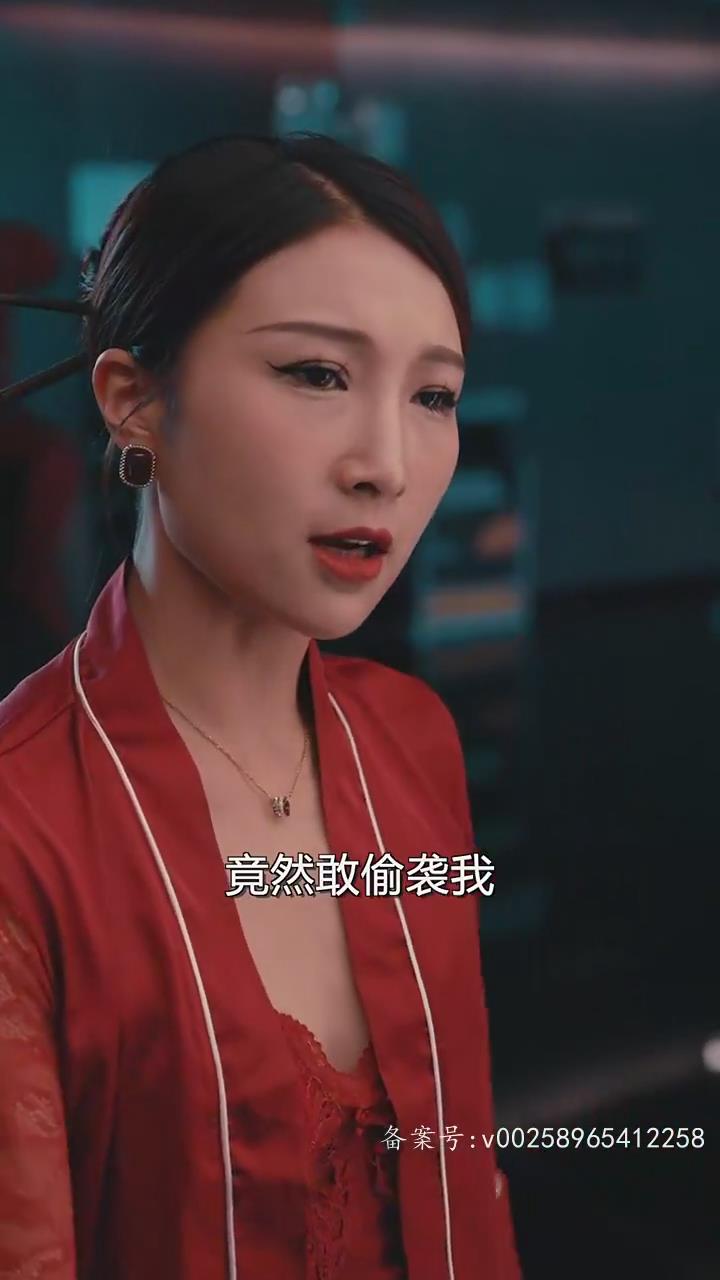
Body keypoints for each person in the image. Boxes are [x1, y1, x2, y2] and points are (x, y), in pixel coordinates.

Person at [0, 131, 522, 1280]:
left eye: (433, 394)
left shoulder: (409, 736)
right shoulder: (21, 828)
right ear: (133, 399)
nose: (387, 462)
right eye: (317, 374)